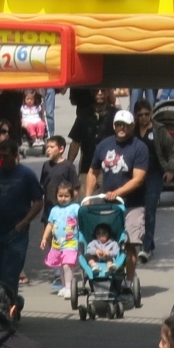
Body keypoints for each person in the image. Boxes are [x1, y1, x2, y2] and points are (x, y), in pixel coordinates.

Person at [0, 137, 43, 316]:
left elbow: (38, 202)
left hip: (16, 233)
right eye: (1, 156)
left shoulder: (26, 175)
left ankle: (6, 314)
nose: (3, 159)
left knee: (10, 275)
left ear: (15, 155)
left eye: (6, 156)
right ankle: (15, 302)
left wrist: (24, 222)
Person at [86, 108, 151, 253]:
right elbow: (92, 172)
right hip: (108, 204)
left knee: (130, 243)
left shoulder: (139, 147)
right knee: (106, 241)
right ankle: (111, 266)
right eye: (118, 124)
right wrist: (88, 198)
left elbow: (138, 179)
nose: (122, 128)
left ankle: (130, 268)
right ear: (113, 126)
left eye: (125, 125)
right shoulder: (104, 145)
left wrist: (116, 193)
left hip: (133, 204)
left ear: (132, 126)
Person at [41, 179, 81, 299]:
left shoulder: (75, 207)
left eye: (66, 196)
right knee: (61, 267)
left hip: (71, 242)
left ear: (72, 196)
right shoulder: (54, 210)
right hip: (57, 244)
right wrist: (44, 238)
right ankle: (64, 286)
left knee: (67, 266)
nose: (63, 198)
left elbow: (82, 220)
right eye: (60, 196)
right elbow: (50, 224)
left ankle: (69, 288)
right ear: (56, 196)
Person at [132, 101, 163, 258]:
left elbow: (171, 150)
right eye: (140, 115)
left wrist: (170, 169)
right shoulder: (132, 131)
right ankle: (136, 240)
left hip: (154, 174)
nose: (144, 117)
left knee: (150, 211)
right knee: (136, 211)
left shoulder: (159, 130)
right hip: (136, 176)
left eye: (146, 114)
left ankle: (147, 247)